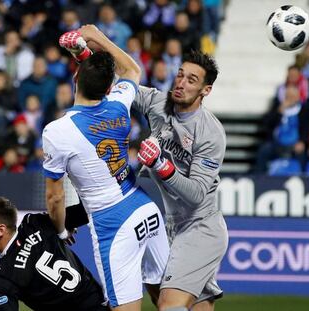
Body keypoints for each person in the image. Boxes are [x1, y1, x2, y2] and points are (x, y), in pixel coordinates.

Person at [43, 25, 169, 311]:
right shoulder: (119, 103)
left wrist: (61, 231)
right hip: (145, 208)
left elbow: (55, 197)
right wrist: (98, 37)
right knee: (168, 301)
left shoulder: (57, 131)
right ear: (109, 87)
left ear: (76, 77)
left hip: (113, 223)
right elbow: (132, 71)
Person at [134, 50, 228, 311]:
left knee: (169, 305)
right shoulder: (158, 103)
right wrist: (89, 49)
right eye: (180, 75)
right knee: (168, 298)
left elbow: (197, 193)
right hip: (169, 226)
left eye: (192, 80)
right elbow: (123, 85)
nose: (181, 83)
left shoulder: (210, 132)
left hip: (200, 227)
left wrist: (161, 166)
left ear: (205, 90)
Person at [0, 196, 108, 311]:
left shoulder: (3, 277)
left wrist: (62, 228)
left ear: (0, 230)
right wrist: (64, 227)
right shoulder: (34, 223)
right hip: (103, 303)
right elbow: (84, 211)